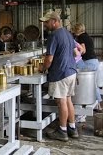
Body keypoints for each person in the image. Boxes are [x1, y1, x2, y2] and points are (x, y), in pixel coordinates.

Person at [39, 11, 79, 142]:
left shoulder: (54, 35)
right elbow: (75, 52)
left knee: (61, 102)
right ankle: (72, 128)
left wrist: (43, 68)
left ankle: (62, 131)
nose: (45, 24)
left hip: (60, 73)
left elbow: (49, 59)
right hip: (71, 71)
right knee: (68, 100)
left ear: (54, 21)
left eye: (47, 21)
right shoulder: (68, 34)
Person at [72, 23, 102, 121]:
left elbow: (83, 50)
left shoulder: (81, 37)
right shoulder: (87, 36)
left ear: (76, 30)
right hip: (95, 61)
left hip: (88, 62)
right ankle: (99, 104)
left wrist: (76, 54)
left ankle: (82, 112)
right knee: (93, 84)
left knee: (85, 85)